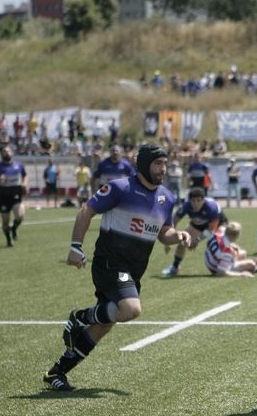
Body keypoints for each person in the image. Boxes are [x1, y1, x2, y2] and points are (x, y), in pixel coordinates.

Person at [42, 144, 191, 391]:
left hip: (134, 270)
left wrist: (180, 236)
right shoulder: (120, 188)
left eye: (165, 163)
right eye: (157, 163)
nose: (163, 168)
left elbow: (165, 233)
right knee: (131, 309)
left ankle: (57, 372)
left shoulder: (167, 197)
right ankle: (81, 317)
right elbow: (86, 209)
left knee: (105, 324)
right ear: (144, 164)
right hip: (110, 263)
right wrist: (76, 247)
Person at [161, 187, 227, 276]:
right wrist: (167, 241)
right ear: (189, 200)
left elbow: (211, 228)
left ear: (203, 200)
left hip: (218, 223)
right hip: (198, 223)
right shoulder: (186, 206)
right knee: (183, 241)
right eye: (193, 201)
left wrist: (197, 240)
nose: (196, 204)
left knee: (223, 242)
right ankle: (175, 267)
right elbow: (174, 221)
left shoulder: (211, 208)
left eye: (199, 200)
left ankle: (226, 265)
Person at [0, 145, 28, 247]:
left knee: (20, 216)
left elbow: (25, 175)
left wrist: (24, 183)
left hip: (16, 193)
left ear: (12, 152)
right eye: (4, 152)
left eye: (8, 151)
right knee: (5, 221)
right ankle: (9, 239)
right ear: (1, 154)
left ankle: (14, 228)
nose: (7, 153)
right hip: (3, 196)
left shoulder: (18, 165)